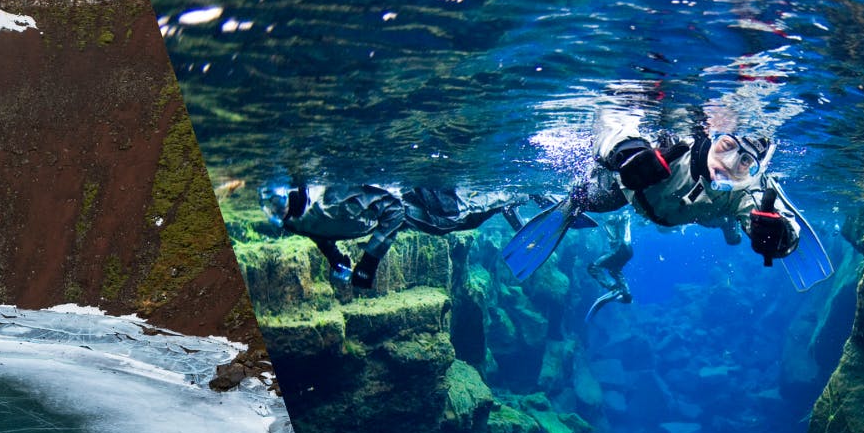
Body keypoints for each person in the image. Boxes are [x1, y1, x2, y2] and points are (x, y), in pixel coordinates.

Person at [502, 127, 832, 296]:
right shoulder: (675, 143)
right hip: (632, 191)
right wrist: (626, 152)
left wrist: (780, 238)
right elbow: (617, 125)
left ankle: (729, 225)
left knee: (729, 218)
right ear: (714, 136)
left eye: (745, 162)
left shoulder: (750, 189)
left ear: (756, 170)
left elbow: (779, 221)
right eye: (727, 147)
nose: (729, 165)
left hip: (700, 212)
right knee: (591, 198)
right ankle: (546, 199)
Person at [262, 184, 526, 288]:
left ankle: (517, 194)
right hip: (392, 214)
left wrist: (368, 263)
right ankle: (507, 201)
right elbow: (317, 233)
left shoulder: (332, 198)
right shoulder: (291, 221)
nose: (275, 212)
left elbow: (394, 210)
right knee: (456, 220)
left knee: (455, 219)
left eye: (277, 203)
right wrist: (335, 258)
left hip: (408, 201)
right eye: (270, 208)